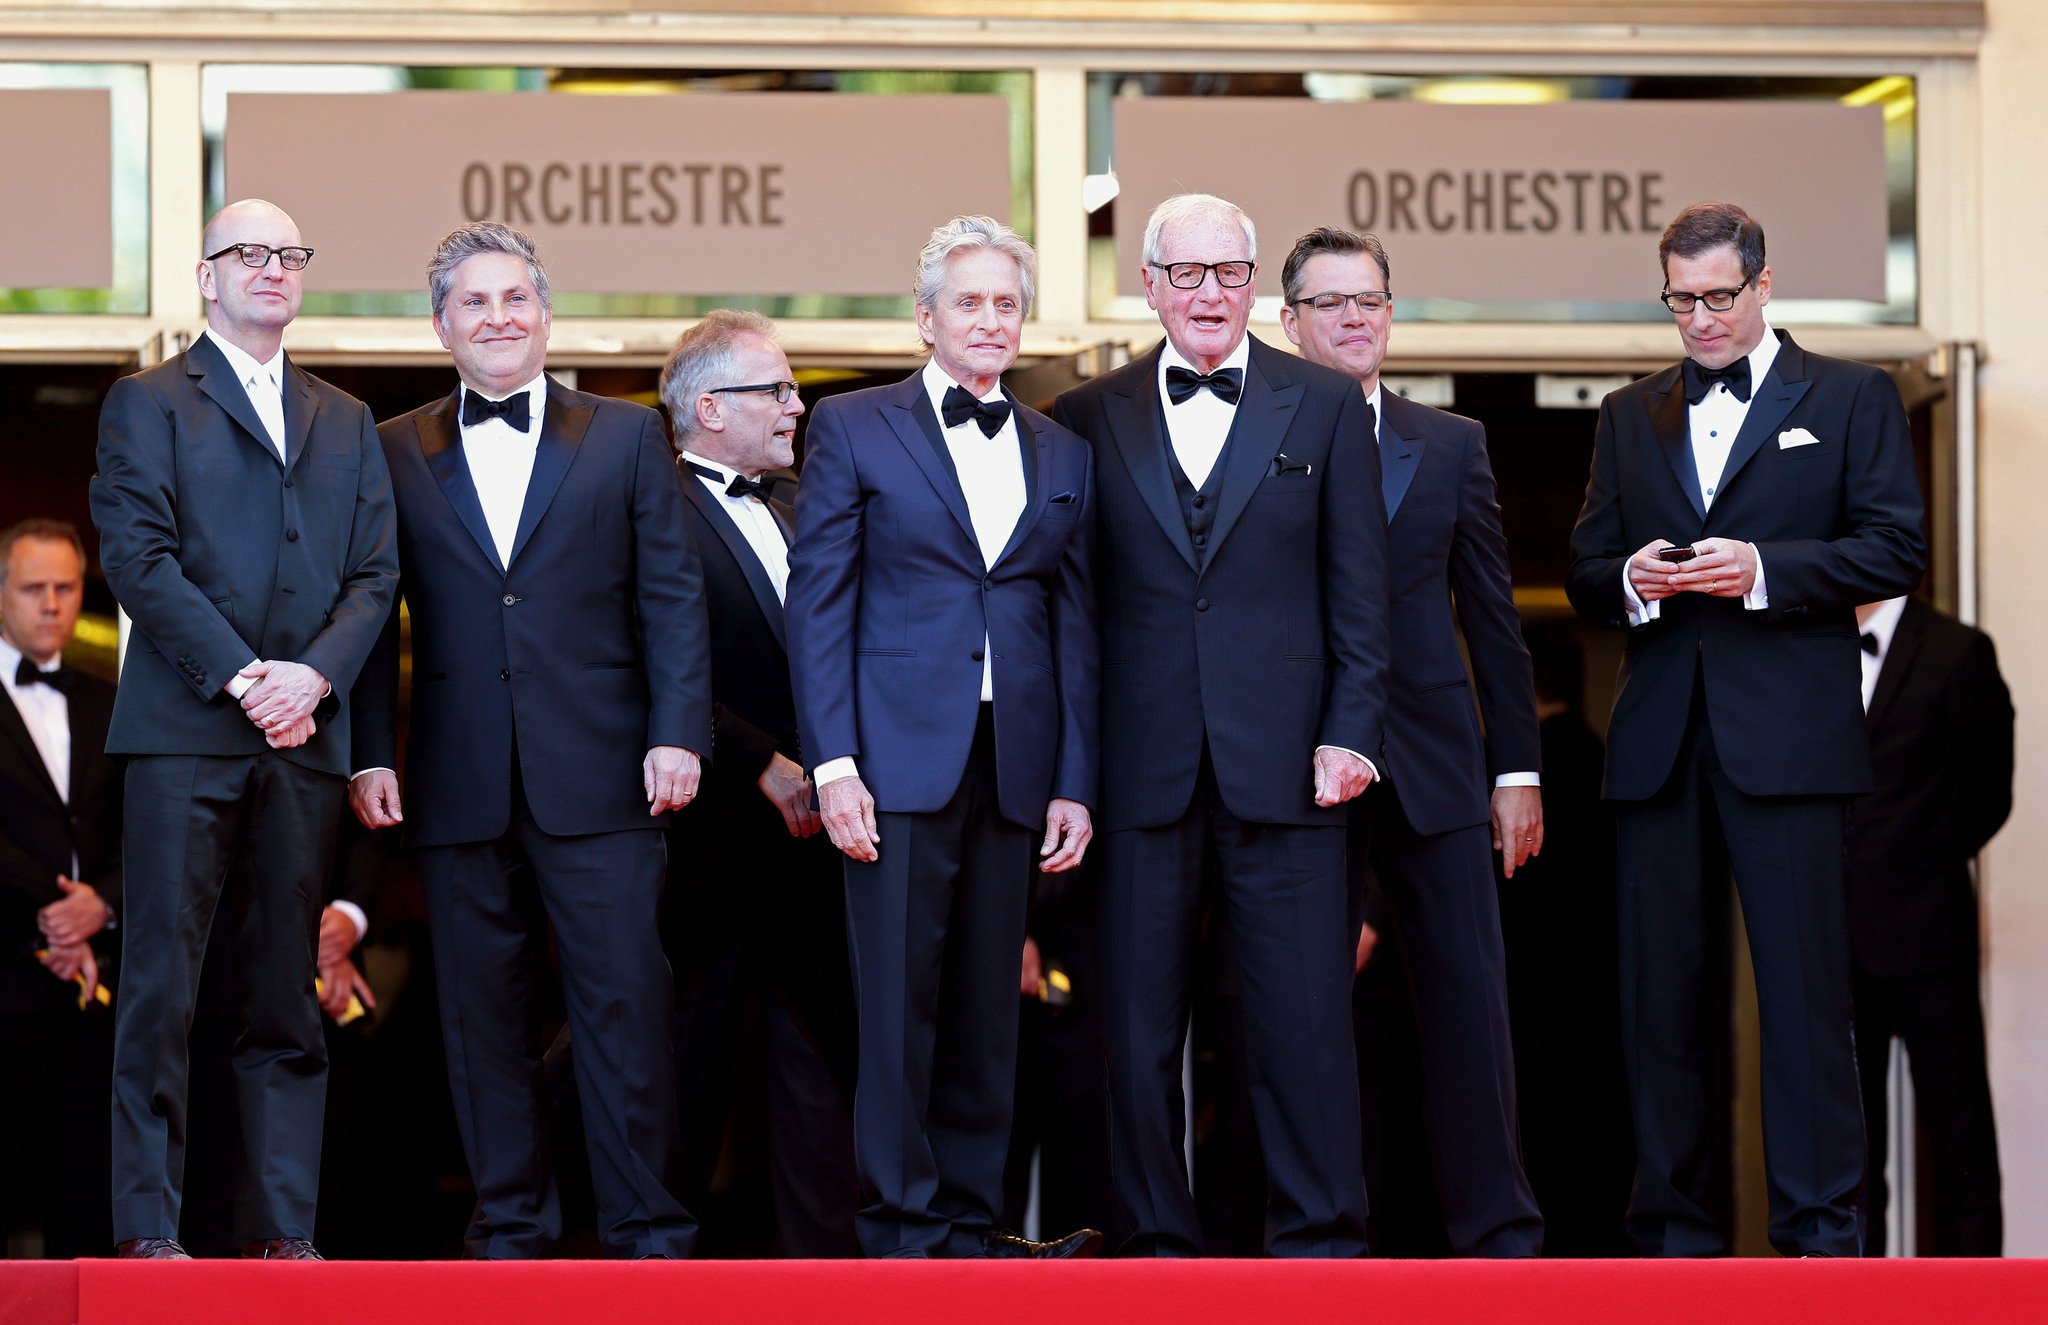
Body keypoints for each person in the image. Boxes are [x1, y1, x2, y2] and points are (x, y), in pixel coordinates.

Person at [1565, 200, 1927, 1258]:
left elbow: (1893, 548)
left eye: (1718, 296)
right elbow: (1585, 569)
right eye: (1679, 300)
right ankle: (1669, 1233)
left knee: (1808, 998)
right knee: (1656, 1003)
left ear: (1763, 285)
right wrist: (1628, 580)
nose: (1699, 319)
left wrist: (1766, 570)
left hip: (1791, 740)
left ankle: (1820, 1235)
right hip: (1658, 742)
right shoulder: (1624, 412)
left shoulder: (1854, 396)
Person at [348, 221, 710, 1260]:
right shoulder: (390, 448)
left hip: (605, 769)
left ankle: (648, 1225)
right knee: (478, 1020)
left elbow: (672, 599)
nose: (498, 318)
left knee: (625, 1008)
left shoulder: (628, 434)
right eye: (475, 302)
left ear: (545, 316)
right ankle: (511, 1223)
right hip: (458, 775)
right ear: (440, 325)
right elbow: (377, 615)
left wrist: (678, 730)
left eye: (515, 299)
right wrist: (374, 749)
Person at [1051, 193, 1389, 1259]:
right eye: (1185, 274)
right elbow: (1068, 611)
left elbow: (1360, 594)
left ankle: (1321, 1241)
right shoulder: (1082, 414)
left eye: (1228, 272)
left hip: (1292, 765)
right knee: (1136, 1031)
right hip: (1137, 767)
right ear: (1146, 284)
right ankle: (1153, 1243)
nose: (1208, 294)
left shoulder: (1326, 404)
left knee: (1301, 1025)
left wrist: (1350, 730)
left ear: (1254, 284)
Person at [786, 215, 1101, 1260]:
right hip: (889, 762)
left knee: (985, 1007)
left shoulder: (1061, 447)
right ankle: (898, 1229)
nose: (988, 318)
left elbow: (1072, 623)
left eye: (1005, 302)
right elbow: (818, 603)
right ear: (924, 318)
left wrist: (1074, 778)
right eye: (967, 300)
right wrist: (832, 762)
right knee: (896, 1008)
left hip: (1015, 763)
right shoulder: (851, 424)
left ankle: (971, 1225)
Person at [91, 199, 399, 1261]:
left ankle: (284, 1236)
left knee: (285, 996)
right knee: (160, 992)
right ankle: (145, 1232)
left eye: (288, 253)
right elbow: (139, 560)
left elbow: (374, 574)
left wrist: (311, 678)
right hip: (184, 733)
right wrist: (241, 674)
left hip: (301, 737)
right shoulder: (144, 401)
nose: (271, 267)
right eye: (246, 253)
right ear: (205, 276)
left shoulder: (345, 415)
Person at [1277, 226, 1543, 1259]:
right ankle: (1319, 1242)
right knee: (1304, 1020)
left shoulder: (1451, 443)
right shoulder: (1256, 441)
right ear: (1289, 319)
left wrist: (1514, 767)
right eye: (1329, 301)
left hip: (1435, 765)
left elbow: (1491, 617)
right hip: (1301, 770)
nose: (1353, 318)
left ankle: (1500, 1238)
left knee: (1470, 1012)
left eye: (1370, 300)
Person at [658, 309, 860, 1257]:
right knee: (676, 1081)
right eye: (775, 390)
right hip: (698, 848)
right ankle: (629, 1279)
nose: (796, 405)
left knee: (837, 1066)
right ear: (708, 407)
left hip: (813, 848)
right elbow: (633, 666)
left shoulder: (794, 503)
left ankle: (863, 1275)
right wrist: (757, 760)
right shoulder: (651, 503)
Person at [1848, 595, 2011, 1255]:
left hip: (1929, 929)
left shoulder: (1957, 650)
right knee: (1850, 1151)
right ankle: (1856, 1303)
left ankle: (1977, 1302)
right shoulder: (1800, 647)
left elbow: (1988, 795)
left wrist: (1922, 862)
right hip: (1832, 938)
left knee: (1958, 1129)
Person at [0, 519, 122, 1258]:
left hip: (99, 992)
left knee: (90, 1192)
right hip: (5, 971)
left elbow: (152, 825)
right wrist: (52, 909)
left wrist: (102, 900)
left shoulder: (114, 698)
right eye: (33, 588)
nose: (51, 603)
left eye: (66, 587)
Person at [1494, 621, 1634, 1256]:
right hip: (1600, 990)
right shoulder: (1605, 758)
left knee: (1533, 1138)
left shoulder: (1513, 780)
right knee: (1594, 1143)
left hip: (1526, 986)